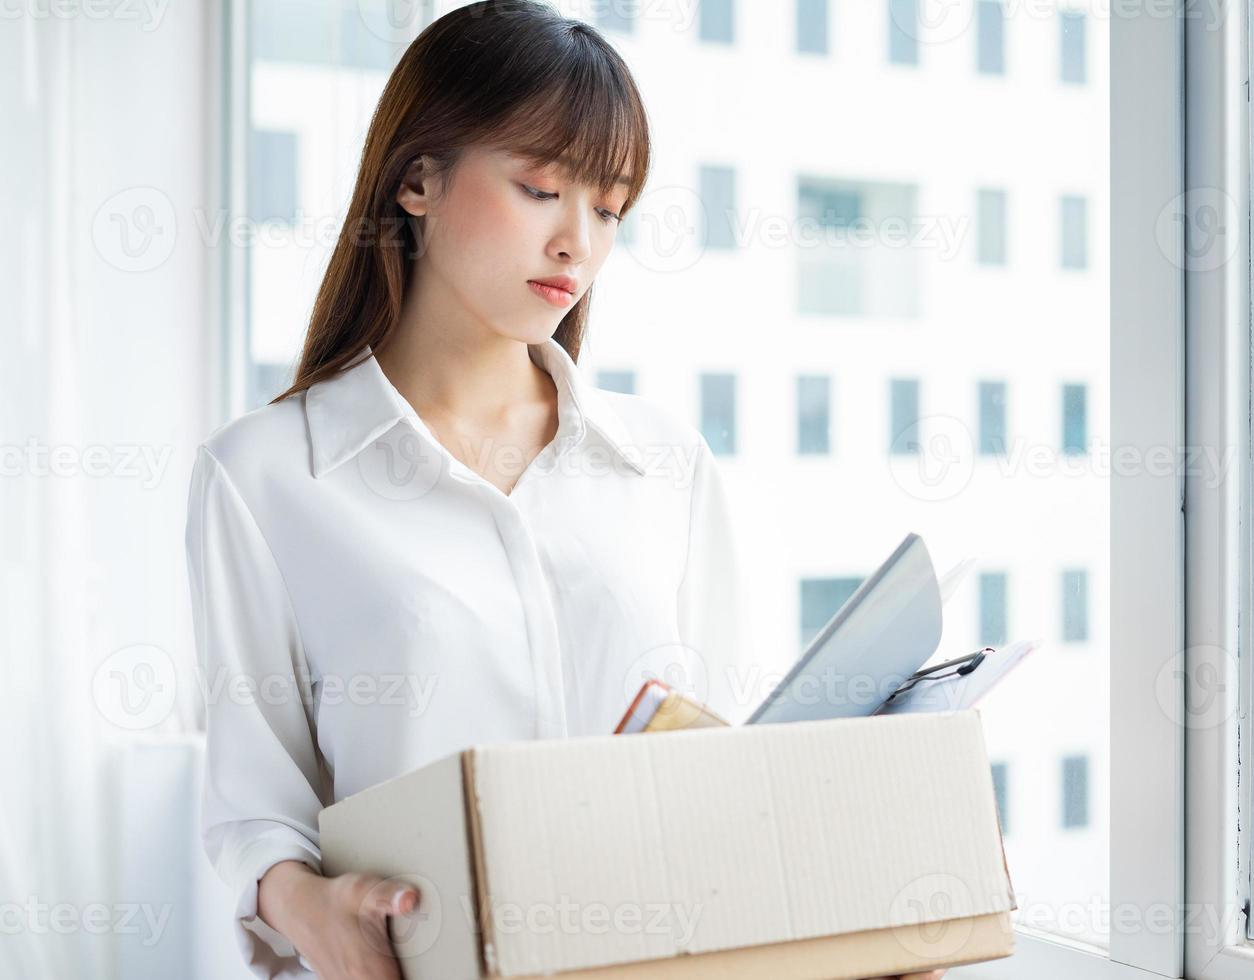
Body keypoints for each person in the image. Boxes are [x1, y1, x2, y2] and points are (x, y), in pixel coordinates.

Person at [184, 4, 946, 979]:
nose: (577, 242)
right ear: (417, 180)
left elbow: (725, 773)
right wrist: (308, 905)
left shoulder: (663, 463)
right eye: (543, 188)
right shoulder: (266, 475)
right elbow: (253, 809)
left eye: (611, 207)